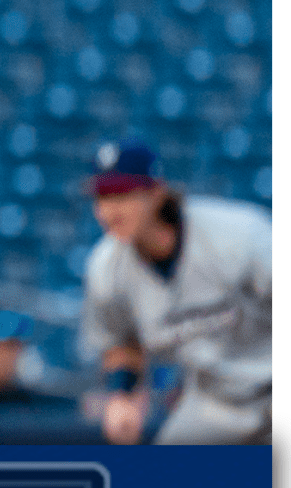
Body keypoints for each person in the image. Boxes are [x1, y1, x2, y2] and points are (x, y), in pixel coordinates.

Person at [80, 140, 270, 444]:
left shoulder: (239, 235)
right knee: (165, 472)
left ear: (157, 193)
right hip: (216, 403)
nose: (109, 211)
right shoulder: (105, 269)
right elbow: (122, 343)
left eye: (122, 195)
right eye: (102, 197)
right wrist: (123, 396)